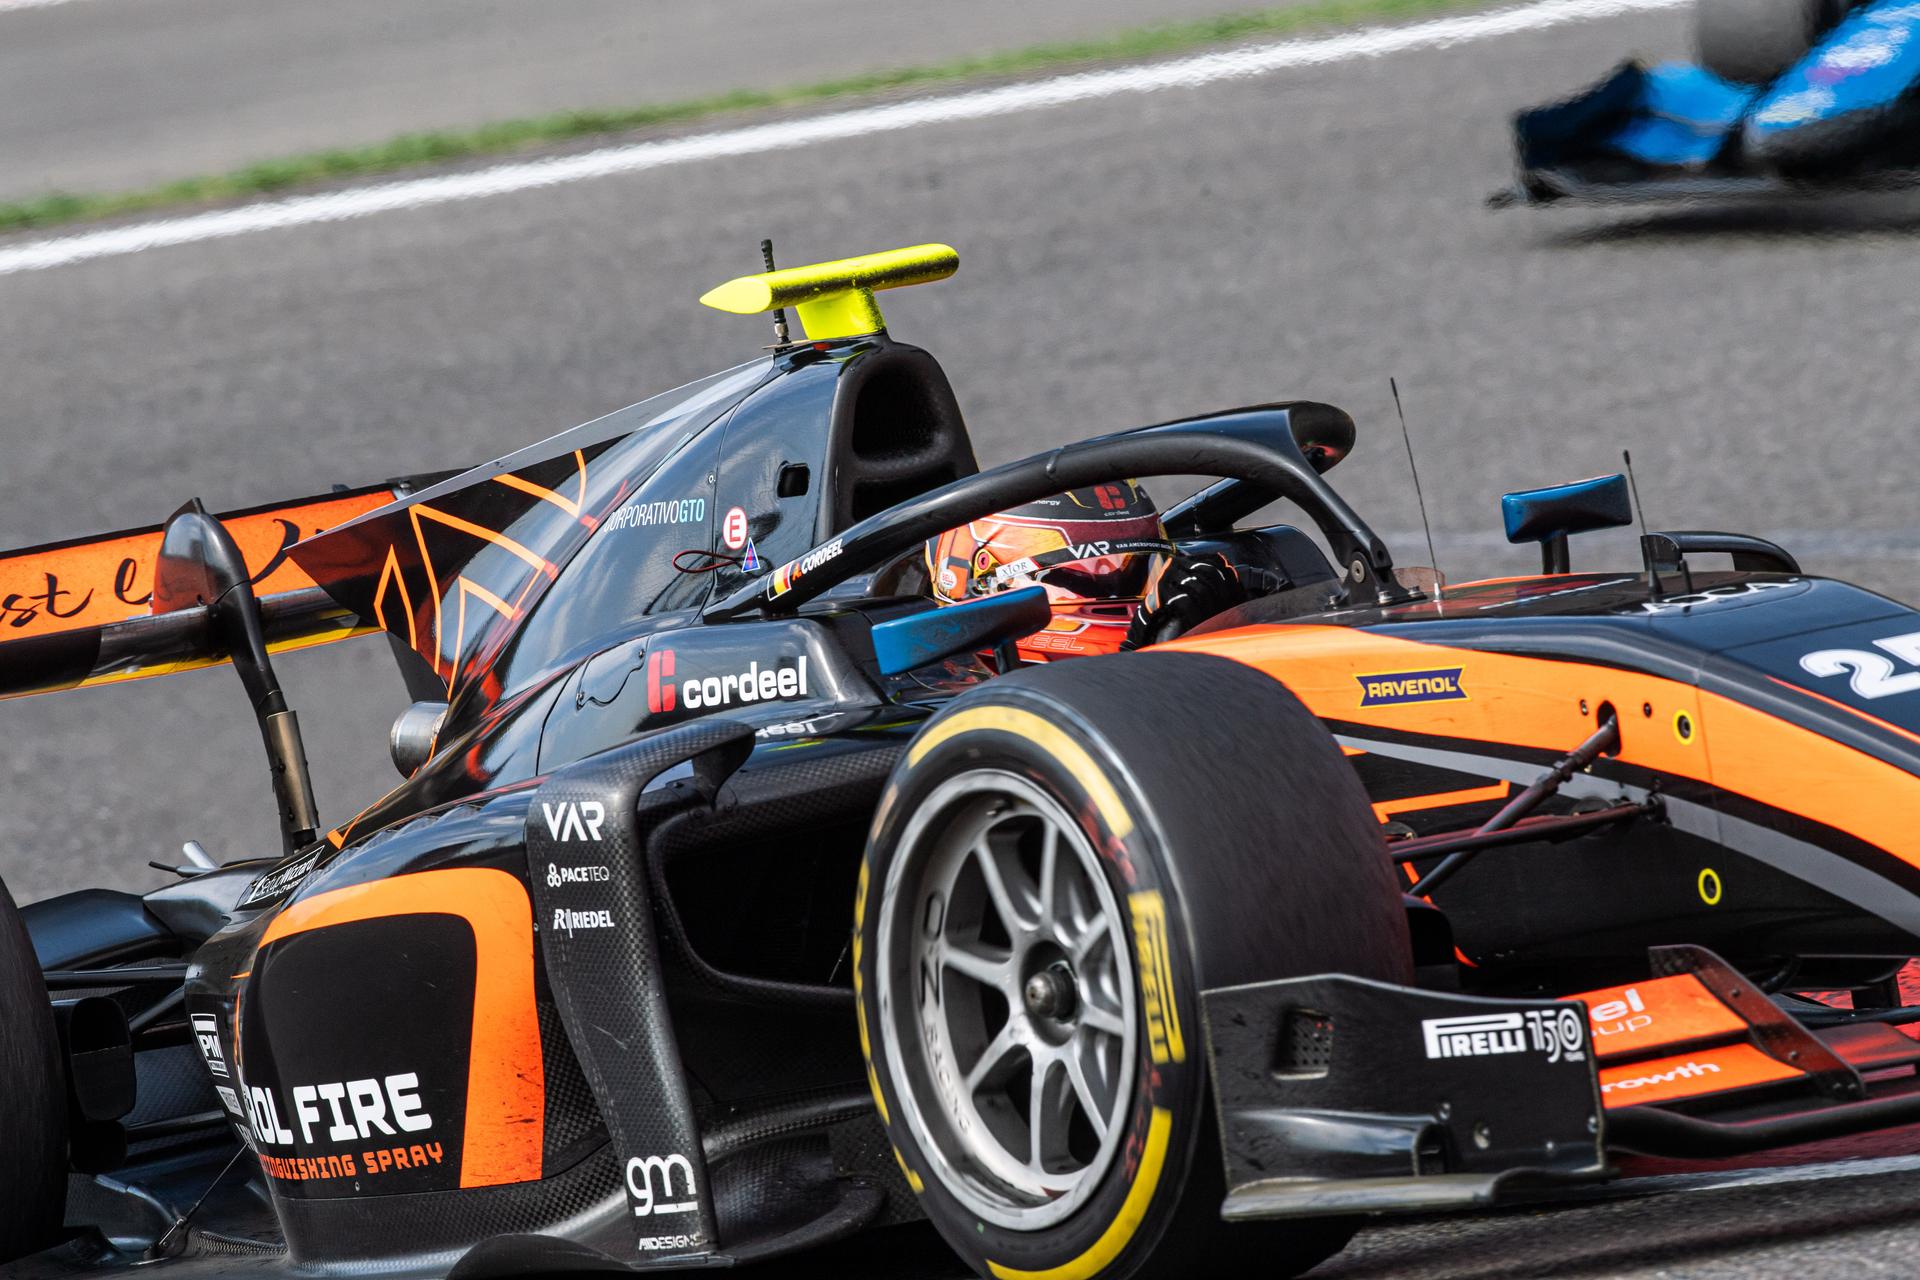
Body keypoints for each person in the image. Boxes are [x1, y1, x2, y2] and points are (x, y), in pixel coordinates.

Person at [926, 481, 1243, 662]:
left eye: (1136, 567)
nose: (1116, 587)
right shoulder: (958, 707)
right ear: (988, 581)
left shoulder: (1179, 619)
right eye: (1083, 573)